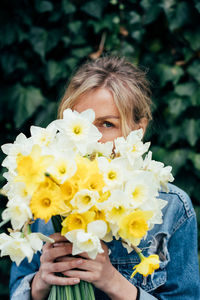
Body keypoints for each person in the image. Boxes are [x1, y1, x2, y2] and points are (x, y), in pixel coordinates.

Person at [9, 56, 199, 299]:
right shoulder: (44, 197)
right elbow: (17, 290)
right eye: (80, 123)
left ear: (138, 130)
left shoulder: (173, 208)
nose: (90, 138)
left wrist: (114, 282)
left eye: (107, 124)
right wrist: (39, 284)